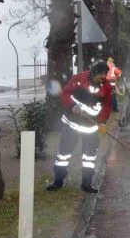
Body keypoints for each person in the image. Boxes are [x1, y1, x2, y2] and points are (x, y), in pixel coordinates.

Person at [47, 61, 111, 193]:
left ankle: (87, 184)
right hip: (72, 124)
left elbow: (107, 106)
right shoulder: (79, 79)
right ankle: (58, 181)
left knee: (89, 157)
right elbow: (65, 93)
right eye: (101, 74)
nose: (103, 76)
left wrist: (103, 122)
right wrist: (72, 106)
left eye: (105, 74)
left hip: (91, 128)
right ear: (93, 73)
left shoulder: (106, 87)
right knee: (63, 155)